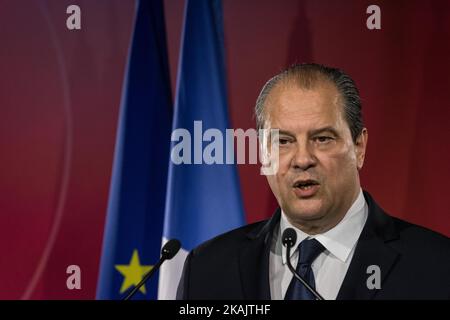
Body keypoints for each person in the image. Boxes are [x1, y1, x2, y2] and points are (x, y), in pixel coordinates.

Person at [176, 63, 450, 300]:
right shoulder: (206, 269)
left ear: (359, 147)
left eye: (322, 138)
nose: (302, 159)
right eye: (283, 141)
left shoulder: (436, 265)